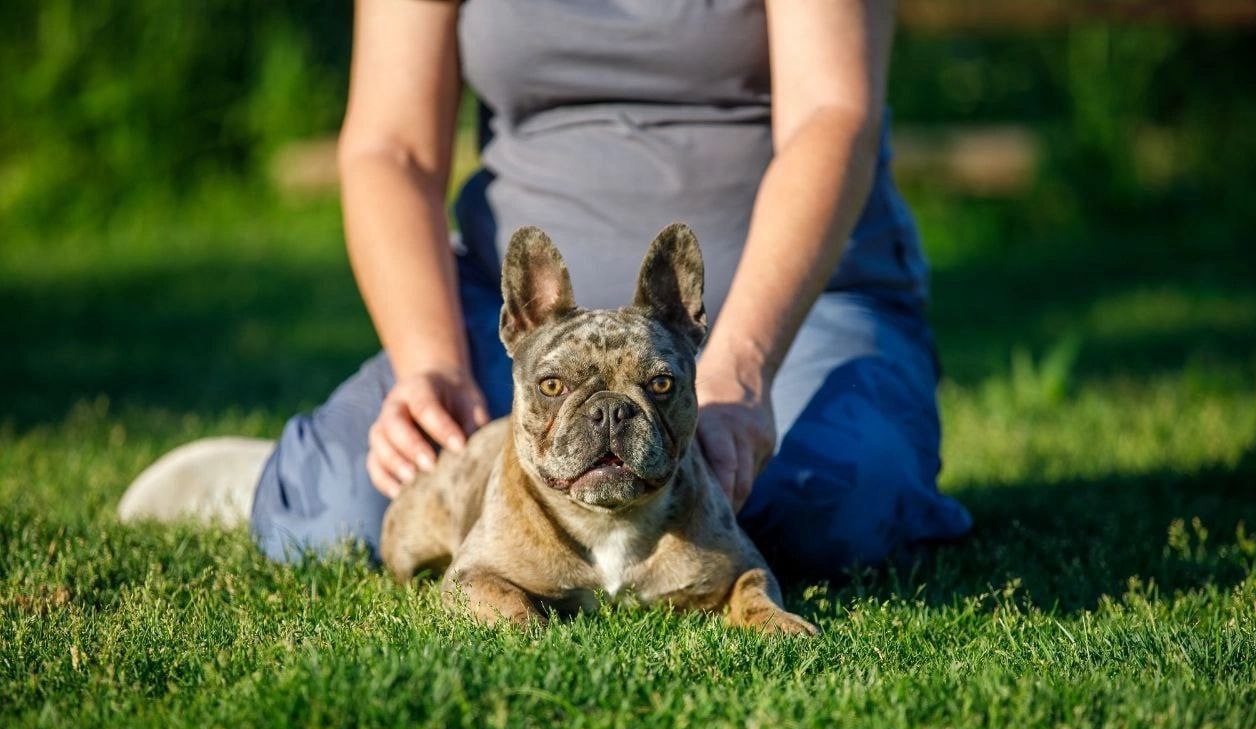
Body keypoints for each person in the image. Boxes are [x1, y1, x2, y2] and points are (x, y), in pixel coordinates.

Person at [120, 0, 972, 578]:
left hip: (787, 310)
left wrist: (739, 369)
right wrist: (431, 366)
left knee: (823, 512)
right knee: (345, 512)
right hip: (537, 339)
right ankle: (289, 476)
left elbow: (834, 117)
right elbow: (391, 148)